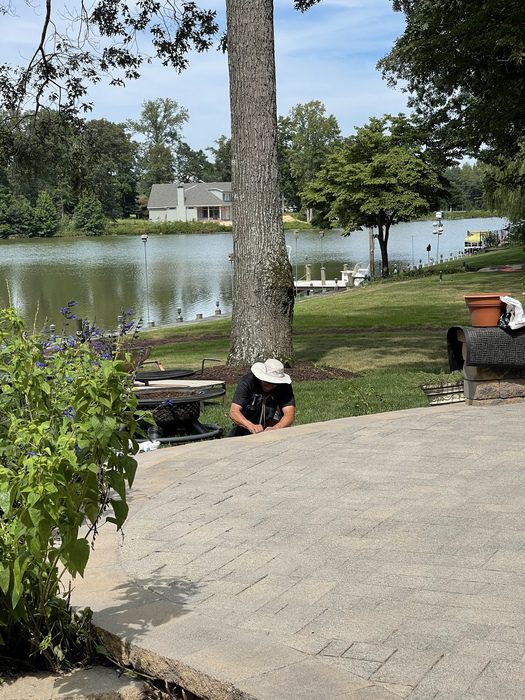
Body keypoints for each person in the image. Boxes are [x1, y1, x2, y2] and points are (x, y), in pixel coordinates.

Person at [228, 358, 296, 437]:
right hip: (244, 426)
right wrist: (250, 426)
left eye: (274, 383)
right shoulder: (247, 382)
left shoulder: (285, 386)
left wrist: (276, 428)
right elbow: (234, 412)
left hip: (273, 427)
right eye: (267, 382)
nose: (270, 386)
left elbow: (289, 414)